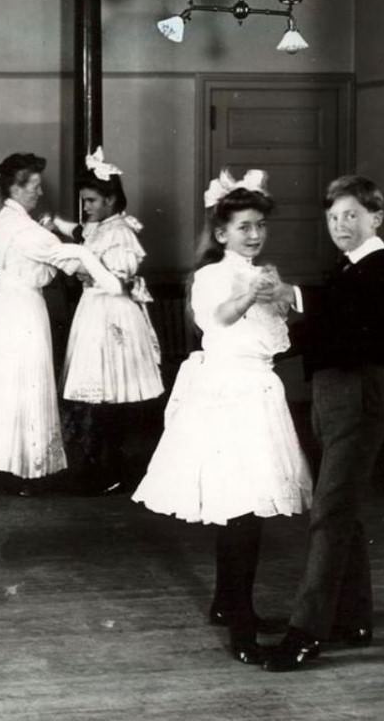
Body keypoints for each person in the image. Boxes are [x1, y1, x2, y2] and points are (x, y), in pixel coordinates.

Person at [132, 169, 313, 665]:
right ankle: (240, 624)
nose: (254, 234)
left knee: (247, 508)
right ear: (221, 233)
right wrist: (252, 293)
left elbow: (278, 336)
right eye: (244, 227)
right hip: (227, 393)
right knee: (239, 508)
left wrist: (278, 298)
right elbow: (219, 319)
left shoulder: (262, 272)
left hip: (258, 388)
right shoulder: (214, 275)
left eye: (259, 225)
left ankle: (225, 603)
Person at [263, 175, 384, 672]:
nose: (340, 225)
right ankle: (355, 617)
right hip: (332, 393)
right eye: (332, 217)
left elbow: (348, 319)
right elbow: (327, 328)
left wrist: (294, 297)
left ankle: (306, 632)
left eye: (350, 215)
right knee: (342, 507)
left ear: (376, 218)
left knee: (329, 511)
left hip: (359, 392)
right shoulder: (346, 269)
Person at [0, 153, 123, 491]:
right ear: (15, 188)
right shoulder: (25, 229)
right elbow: (70, 259)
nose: (39, 193)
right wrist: (111, 276)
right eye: (34, 186)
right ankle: (24, 469)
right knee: (24, 383)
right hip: (21, 311)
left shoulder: (4, 220)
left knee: (6, 387)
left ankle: (7, 464)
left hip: (1, 308)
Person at [61, 147, 164, 494]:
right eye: (84, 200)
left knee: (112, 392)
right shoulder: (98, 228)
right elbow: (79, 235)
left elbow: (118, 282)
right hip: (93, 311)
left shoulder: (120, 232)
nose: (86, 207)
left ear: (109, 199)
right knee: (97, 394)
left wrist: (86, 266)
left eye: (91, 200)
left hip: (112, 313)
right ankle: (101, 466)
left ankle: (114, 468)